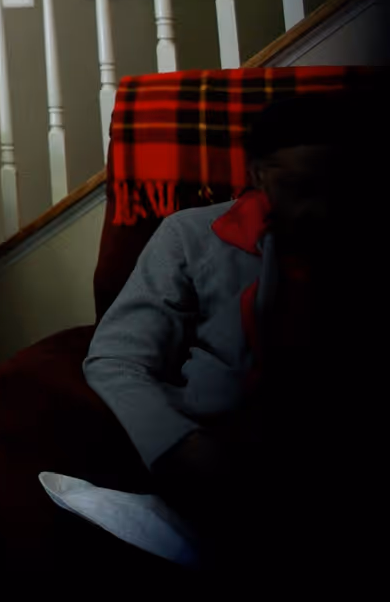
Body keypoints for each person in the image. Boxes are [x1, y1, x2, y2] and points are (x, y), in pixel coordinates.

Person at [83, 87, 359, 585]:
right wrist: (179, 446)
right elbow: (115, 358)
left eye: (334, 187)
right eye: (299, 188)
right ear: (258, 175)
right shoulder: (190, 236)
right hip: (218, 444)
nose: (319, 209)